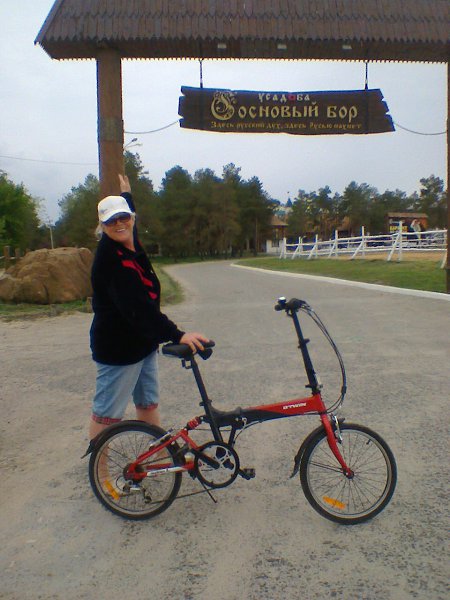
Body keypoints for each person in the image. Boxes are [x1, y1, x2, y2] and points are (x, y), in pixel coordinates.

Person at [88, 174, 208, 441]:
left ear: (132, 218)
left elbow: (128, 222)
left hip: (142, 344)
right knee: (107, 415)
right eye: (111, 221)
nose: (119, 224)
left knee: (148, 403)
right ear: (102, 226)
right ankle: (100, 465)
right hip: (118, 350)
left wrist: (127, 195)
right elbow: (139, 310)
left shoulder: (129, 241)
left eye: (123, 217)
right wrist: (177, 335)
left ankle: (158, 457)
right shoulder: (111, 259)